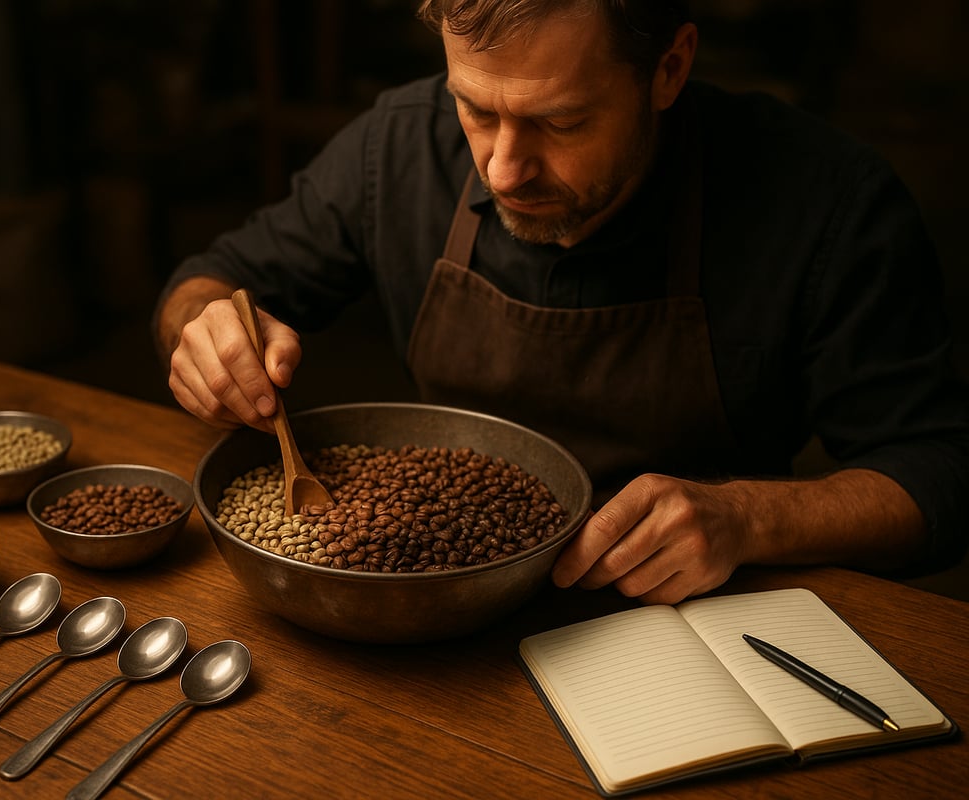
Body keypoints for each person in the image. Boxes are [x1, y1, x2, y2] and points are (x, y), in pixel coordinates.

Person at [153, 0, 969, 605]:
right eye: (475, 108)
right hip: (430, 602)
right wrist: (206, 332)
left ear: (670, 70)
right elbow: (209, 278)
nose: (505, 168)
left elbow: (939, 473)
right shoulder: (395, 147)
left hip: (691, 617)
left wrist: (747, 517)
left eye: (562, 121)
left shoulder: (827, 202)